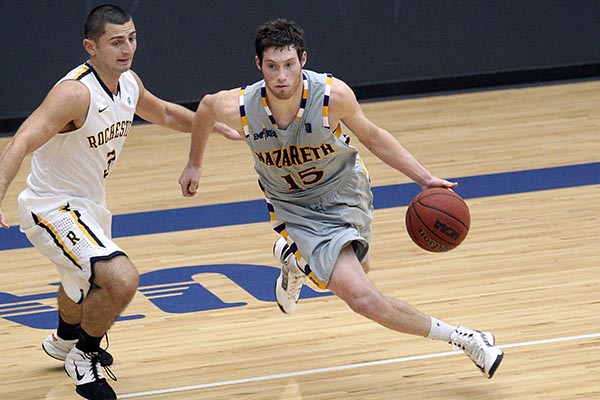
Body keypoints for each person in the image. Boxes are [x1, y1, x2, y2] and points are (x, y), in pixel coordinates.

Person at [179, 18, 504, 380]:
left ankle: (294, 261)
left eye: (289, 65)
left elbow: (374, 137)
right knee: (364, 298)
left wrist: (425, 179)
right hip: (296, 208)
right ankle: (467, 338)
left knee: (360, 275)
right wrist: (195, 164)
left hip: (345, 192)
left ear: (303, 59)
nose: (282, 76)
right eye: (272, 67)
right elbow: (205, 109)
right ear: (259, 66)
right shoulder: (241, 107)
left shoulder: (333, 96)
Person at [0, 4, 238, 400]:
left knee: (79, 280)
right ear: (90, 47)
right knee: (120, 278)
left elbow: (161, 111)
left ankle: (62, 340)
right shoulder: (74, 93)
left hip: (89, 205)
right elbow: (22, 140)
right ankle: (83, 355)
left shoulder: (128, 82)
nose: (127, 48)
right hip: (50, 206)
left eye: (131, 38)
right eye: (116, 41)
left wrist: (209, 124)